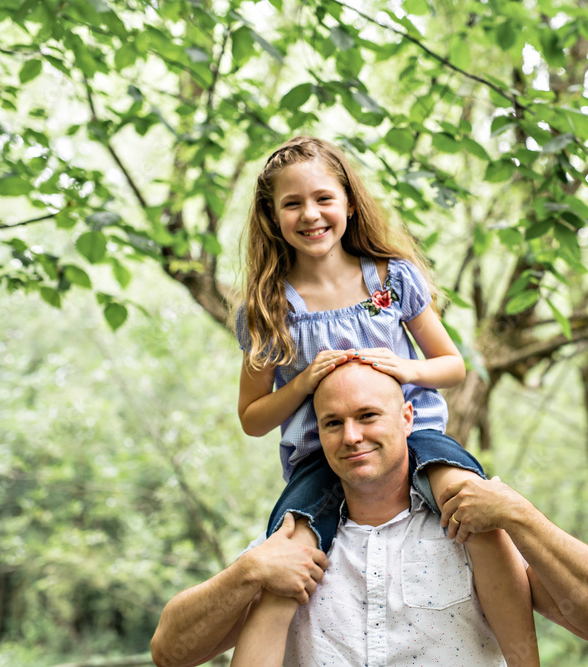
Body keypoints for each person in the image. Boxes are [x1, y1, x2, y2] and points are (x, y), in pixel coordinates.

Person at [229, 136, 536, 665]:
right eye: (292, 204)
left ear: (348, 201)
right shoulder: (271, 308)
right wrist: (300, 384)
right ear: (271, 215)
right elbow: (253, 419)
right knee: (284, 562)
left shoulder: (390, 280)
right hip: (322, 459)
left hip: (414, 438)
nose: (311, 214)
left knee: (473, 511)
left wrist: (405, 368)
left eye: (323, 198)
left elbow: (453, 365)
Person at [149, 362, 588, 666]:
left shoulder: (473, 525)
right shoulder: (292, 547)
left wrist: (522, 516)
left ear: (406, 418)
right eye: (333, 424)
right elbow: (170, 651)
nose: (352, 436)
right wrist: (246, 572)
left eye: (367, 416)